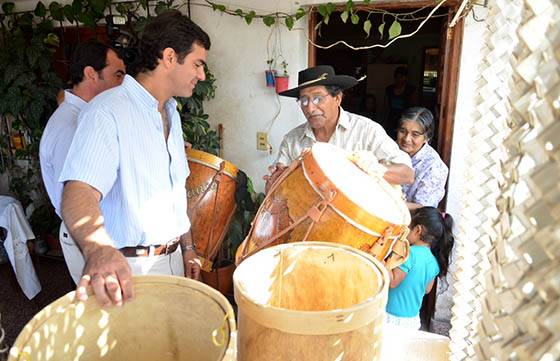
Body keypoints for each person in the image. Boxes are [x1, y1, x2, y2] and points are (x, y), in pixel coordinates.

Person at [59, 10, 210, 307]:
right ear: (169, 57)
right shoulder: (107, 112)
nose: (202, 75)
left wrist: (187, 247)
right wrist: (99, 250)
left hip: (173, 260)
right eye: (197, 64)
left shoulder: (171, 113)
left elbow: (174, 192)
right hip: (130, 270)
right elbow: (78, 192)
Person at [39, 41, 126, 284]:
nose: (123, 84)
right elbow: (78, 194)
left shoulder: (84, 116)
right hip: (89, 238)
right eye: (118, 75)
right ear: (91, 74)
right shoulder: (72, 125)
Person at [264, 65, 414, 192]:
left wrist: (372, 169)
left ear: (337, 98)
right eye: (303, 100)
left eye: (317, 98)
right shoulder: (292, 141)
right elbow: (275, 190)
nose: (309, 108)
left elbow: (407, 174)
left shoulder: (366, 131)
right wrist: (273, 183)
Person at [386, 206, 454, 329]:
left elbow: (393, 282)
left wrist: (381, 260)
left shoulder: (410, 253)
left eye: (409, 227)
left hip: (391, 318)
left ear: (417, 230)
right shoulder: (434, 261)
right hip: (412, 320)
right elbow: (427, 289)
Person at [396, 107, 448, 209]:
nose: (407, 139)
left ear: (427, 137)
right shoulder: (390, 148)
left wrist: (390, 204)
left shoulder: (434, 167)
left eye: (415, 134)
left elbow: (423, 208)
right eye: (403, 131)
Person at [383, 66, 417, 139]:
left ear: (406, 78)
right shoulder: (389, 89)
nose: (398, 79)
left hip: (406, 119)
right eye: (397, 77)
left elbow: (414, 106)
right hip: (392, 118)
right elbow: (385, 106)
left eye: (401, 77)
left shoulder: (411, 90)